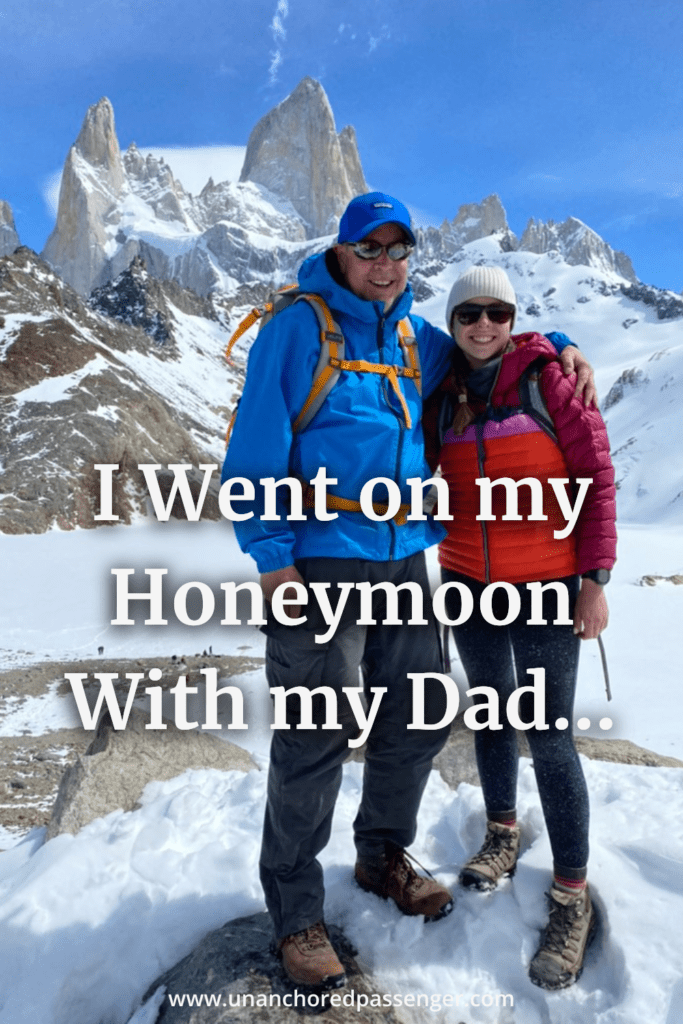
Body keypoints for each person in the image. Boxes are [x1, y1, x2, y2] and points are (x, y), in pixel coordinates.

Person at [222, 193, 595, 990]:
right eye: (370, 249)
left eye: (399, 251)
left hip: (403, 561)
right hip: (318, 562)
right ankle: (295, 913)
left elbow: (487, 350)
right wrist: (272, 561)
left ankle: (380, 853)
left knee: (420, 713)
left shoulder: (410, 338)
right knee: (315, 737)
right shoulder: (296, 327)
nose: (385, 264)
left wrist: (556, 343)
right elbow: (252, 455)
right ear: (341, 252)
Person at [424, 264, 616, 990]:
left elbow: (595, 480)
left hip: (545, 584)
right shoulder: (440, 393)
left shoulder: (550, 380)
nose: (482, 325)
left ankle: (572, 895)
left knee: (550, 733)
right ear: (452, 322)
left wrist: (592, 582)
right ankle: (500, 832)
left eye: (496, 313)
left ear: (513, 319)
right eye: (468, 313)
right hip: (468, 577)